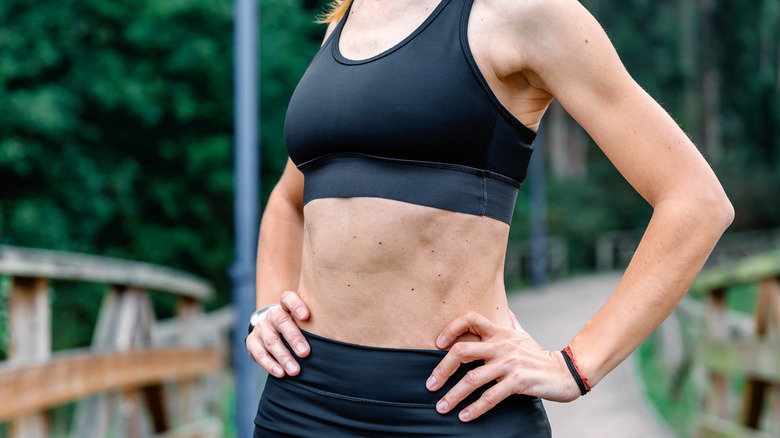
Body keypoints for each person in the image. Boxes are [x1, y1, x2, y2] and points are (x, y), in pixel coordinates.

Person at [245, 0, 734, 435]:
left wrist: (575, 366)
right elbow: (290, 201)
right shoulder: (344, 22)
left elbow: (695, 202)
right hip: (301, 403)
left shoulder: (524, 13)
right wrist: (267, 309)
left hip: (455, 407)